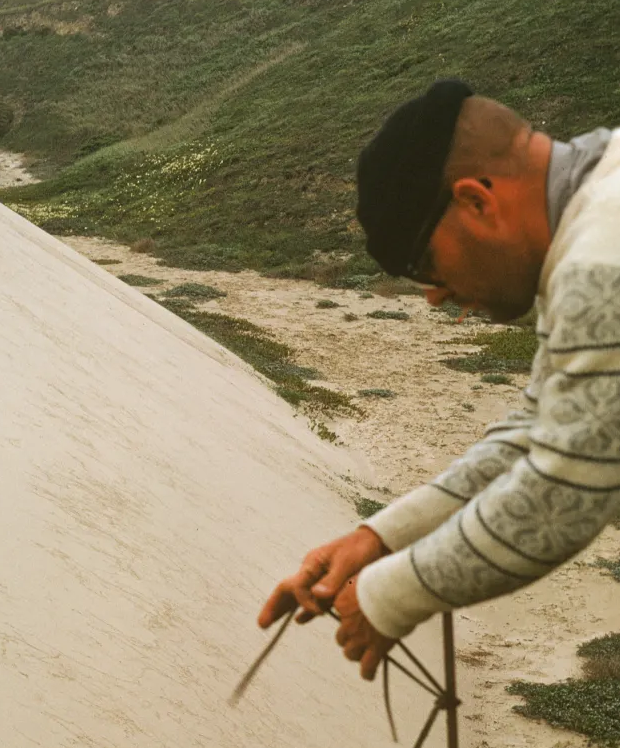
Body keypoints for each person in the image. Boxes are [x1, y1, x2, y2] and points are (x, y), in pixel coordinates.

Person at [259, 78, 620, 677]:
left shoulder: (597, 263)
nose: (432, 296)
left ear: (476, 200)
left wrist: (390, 597)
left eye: (425, 264)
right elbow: (539, 425)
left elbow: (569, 483)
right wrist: (379, 539)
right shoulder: (599, 202)